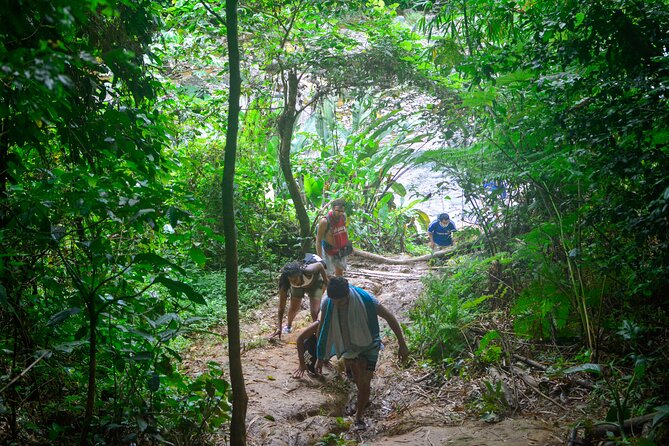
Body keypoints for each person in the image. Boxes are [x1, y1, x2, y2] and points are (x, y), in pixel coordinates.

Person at [314, 277, 409, 431]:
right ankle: (363, 400)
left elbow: (390, 317)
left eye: (341, 301)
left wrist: (402, 344)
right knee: (358, 380)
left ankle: (359, 417)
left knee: (365, 383)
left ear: (348, 295)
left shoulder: (367, 300)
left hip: (369, 344)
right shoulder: (328, 302)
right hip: (349, 347)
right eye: (334, 301)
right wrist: (320, 356)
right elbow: (323, 329)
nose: (337, 305)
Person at [271, 256, 328, 339]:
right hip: (297, 288)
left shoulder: (308, 270)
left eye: (295, 279)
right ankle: (288, 326)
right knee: (294, 308)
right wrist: (279, 327)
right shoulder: (285, 282)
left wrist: (326, 281)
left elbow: (320, 265)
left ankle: (318, 331)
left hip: (315, 283)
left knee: (314, 312)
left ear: (300, 274)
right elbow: (281, 307)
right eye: (291, 280)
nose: (294, 282)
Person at [315, 199, 350, 276]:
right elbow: (318, 241)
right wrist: (320, 259)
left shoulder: (343, 216)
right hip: (328, 249)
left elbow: (344, 230)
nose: (340, 213)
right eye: (338, 211)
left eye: (342, 211)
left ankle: (338, 287)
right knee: (328, 275)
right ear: (333, 209)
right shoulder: (324, 221)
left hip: (340, 249)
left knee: (339, 273)